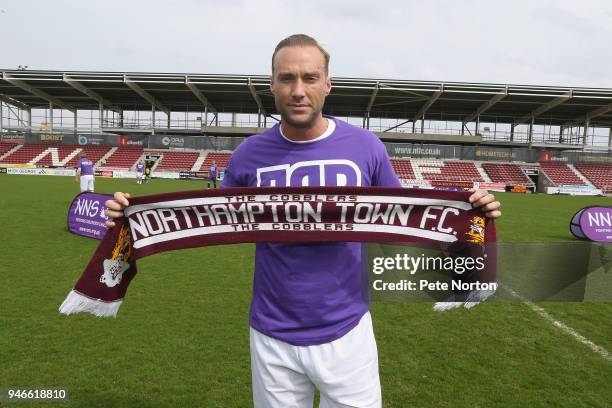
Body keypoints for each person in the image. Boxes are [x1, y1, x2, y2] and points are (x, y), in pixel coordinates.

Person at [105, 34, 501, 408]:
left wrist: (469, 215)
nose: (298, 90)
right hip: (271, 333)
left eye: (310, 78)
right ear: (272, 85)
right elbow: (203, 217)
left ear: (328, 83)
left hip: (348, 330)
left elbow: (407, 217)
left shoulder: (366, 147)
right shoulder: (247, 156)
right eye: (287, 78)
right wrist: (130, 215)